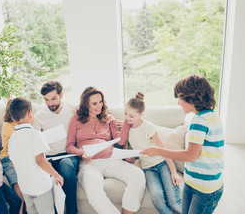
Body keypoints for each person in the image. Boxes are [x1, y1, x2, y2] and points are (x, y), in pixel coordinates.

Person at [141, 74, 224, 214]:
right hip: (194, 182)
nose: (179, 102)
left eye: (180, 98)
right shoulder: (211, 116)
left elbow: (190, 155)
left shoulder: (200, 121)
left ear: (192, 97)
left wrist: (158, 151)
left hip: (204, 188)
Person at [66, 86, 145, 214]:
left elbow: (120, 140)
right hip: (89, 164)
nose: (99, 106)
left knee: (138, 175)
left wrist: (126, 122)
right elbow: (69, 146)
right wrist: (82, 153)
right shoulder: (75, 120)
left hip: (111, 160)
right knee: (95, 193)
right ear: (86, 104)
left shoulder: (109, 118)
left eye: (101, 101)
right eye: (95, 103)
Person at [121, 92, 182, 214]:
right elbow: (125, 146)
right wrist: (127, 155)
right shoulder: (127, 127)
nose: (127, 118)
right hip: (148, 168)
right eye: (125, 114)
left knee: (173, 201)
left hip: (162, 163)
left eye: (131, 116)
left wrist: (174, 172)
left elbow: (164, 149)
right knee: (158, 199)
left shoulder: (148, 127)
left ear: (141, 114)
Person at [8, 97, 64, 214]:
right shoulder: (35, 134)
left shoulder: (12, 138)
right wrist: (56, 174)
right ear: (30, 114)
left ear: (13, 118)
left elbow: (13, 162)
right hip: (40, 187)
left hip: (25, 186)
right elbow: (41, 160)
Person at [33, 81, 79, 214]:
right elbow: (35, 142)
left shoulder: (73, 109)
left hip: (68, 155)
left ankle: (71, 211)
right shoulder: (39, 116)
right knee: (46, 176)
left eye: (53, 98)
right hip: (49, 157)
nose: (50, 103)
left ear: (61, 95)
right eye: (46, 100)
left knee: (66, 165)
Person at [0, 99, 25, 214]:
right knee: (16, 182)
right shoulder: (8, 126)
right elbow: (17, 145)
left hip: (20, 157)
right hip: (7, 158)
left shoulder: (21, 122)